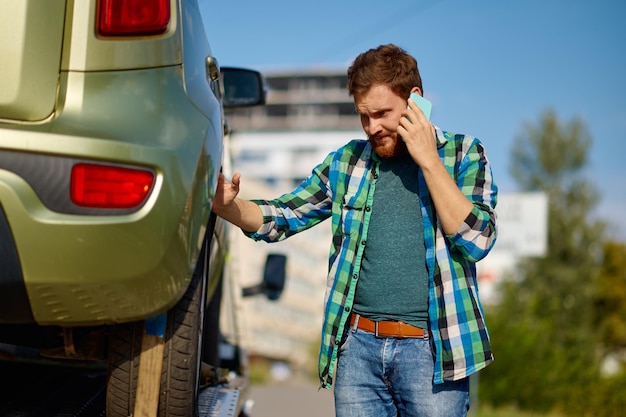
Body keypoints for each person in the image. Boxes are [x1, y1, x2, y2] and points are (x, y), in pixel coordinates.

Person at [212, 44, 498, 417]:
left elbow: (478, 240)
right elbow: (282, 216)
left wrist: (428, 159)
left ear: (416, 101)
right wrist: (227, 206)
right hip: (357, 352)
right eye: (364, 116)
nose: (372, 127)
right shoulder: (347, 162)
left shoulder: (464, 155)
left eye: (382, 114)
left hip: (434, 352)